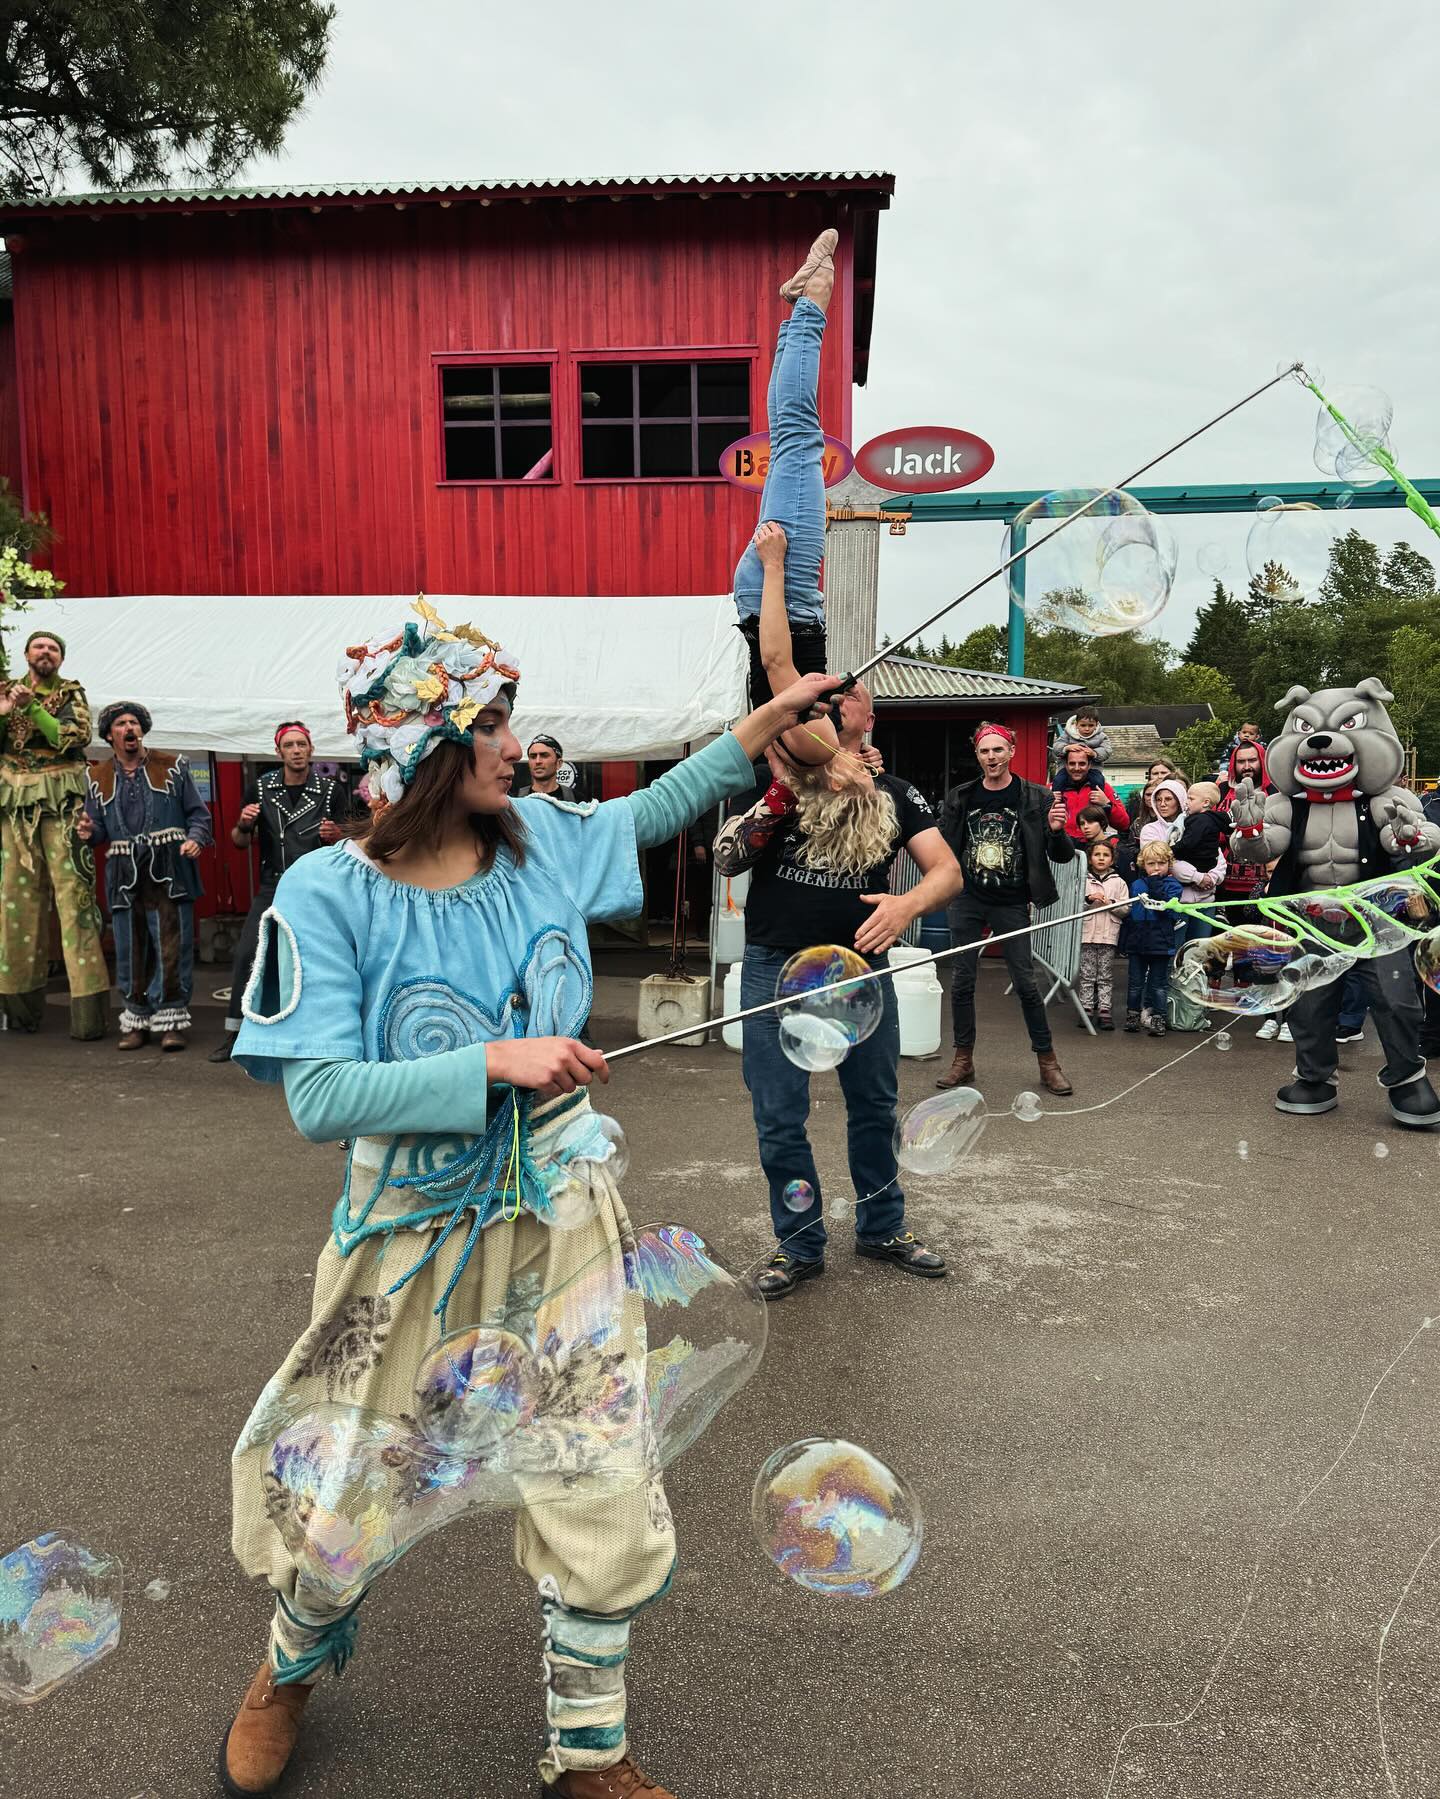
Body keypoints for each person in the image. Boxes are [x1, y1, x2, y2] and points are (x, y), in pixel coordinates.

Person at [222, 595, 839, 1798]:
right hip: (404, 1236)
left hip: (563, 1217)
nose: (518, 744)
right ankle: (287, 1667)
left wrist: (755, 724)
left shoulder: (541, 838)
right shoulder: (325, 893)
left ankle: (590, 1750)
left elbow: (646, 810)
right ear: (426, 749)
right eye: (495, 724)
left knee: (596, 1464)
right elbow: (318, 1095)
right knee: (350, 1469)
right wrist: (488, 1062)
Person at [716, 467, 961, 1299]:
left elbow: (947, 871)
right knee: (779, 1115)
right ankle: (801, 1243)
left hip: (860, 967)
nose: (838, 693)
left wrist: (906, 904)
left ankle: (884, 1227)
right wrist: (778, 567)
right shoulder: (792, 769)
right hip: (772, 965)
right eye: (828, 696)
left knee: (874, 1104)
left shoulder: (895, 791)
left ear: (868, 719)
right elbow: (780, 656)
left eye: (850, 694)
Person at [937, 722, 1077, 1095]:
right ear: (978, 756)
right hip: (967, 899)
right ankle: (962, 1060)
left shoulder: (1037, 797)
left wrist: (1057, 831)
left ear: (1011, 752)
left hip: (1012, 901)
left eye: (998, 750)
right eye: (985, 751)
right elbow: (944, 846)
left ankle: (1048, 1062)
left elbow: (1061, 857)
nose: (991, 757)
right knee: (962, 982)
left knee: (1027, 985)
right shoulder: (961, 796)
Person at [731, 226, 838, 705]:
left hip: (784, 592)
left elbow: (776, 662)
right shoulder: (812, 738)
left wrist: (774, 566)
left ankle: (813, 301)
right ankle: (798, 307)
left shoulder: (804, 736)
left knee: (798, 436)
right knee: (787, 434)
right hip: (776, 597)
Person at [210, 722, 349, 1062]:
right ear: (279, 752)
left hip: (316, 884)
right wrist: (243, 824)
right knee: (247, 954)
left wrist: (338, 835)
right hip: (274, 882)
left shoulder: (330, 791)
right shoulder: (260, 788)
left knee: (319, 957)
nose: (297, 750)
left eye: (302, 744)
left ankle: (319, 1034)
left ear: (311, 750)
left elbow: (351, 841)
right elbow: (238, 842)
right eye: (290, 745)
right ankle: (235, 1032)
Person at [76, 702, 212, 1051]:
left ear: (142, 731)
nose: (129, 728)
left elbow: (199, 816)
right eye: (121, 724)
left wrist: (195, 840)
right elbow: (99, 831)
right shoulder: (98, 776)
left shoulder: (174, 766)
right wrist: (88, 831)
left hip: (170, 868)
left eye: (134, 722)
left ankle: (170, 1019)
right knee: (130, 948)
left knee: (172, 946)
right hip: (124, 871)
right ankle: (137, 1019)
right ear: (110, 735)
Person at [0, 629, 109, 1038]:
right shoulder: (7, 689)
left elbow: (76, 737)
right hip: (13, 802)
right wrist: (3, 710)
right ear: (26, 654)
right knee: (15, 903)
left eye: (53, 648)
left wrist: (35, 710)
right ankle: (19, 1009)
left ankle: (87, 1018)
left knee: (74, 900)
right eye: (39, 647)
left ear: (61, 658)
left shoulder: (70, 693)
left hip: (62, 800)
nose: (45, 652)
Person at [1126, 841, 1182, 1036]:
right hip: (1138, 940)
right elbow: (1132, 914)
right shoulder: (1136, 885)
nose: (1156, 868)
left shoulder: (1173, 886)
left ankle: (1159, 1018)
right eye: (1151, 864)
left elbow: (1165, 909)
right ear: (1144, 865)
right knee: (1135, 983)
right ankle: (1132, 1015)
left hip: (1161, 941)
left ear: (1169, 864)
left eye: (1161, 863)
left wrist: (1156, 883)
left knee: (1158, 984)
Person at [1078, 839, 1129, 1030]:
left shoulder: (1119, 882)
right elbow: (1075, 906)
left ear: (1112, 859)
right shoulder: (1083, 881)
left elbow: (1126, 909)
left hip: (1108, 936)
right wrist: (1089, 899)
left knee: (1105, 975)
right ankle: (1086, 1008)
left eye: (1105, 855)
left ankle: (1105, 1010)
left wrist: (1110, 903)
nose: (1101, 858)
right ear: (1090, 858)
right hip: (1087, 935)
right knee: (1087, 974)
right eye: (1097, 854)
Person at [1051, 743, 1130, 843]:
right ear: (1065, 765)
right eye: (1072, 763)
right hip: (1063, 845)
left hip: (1093, 847)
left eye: (1082, 764)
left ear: (1089, 765)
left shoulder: (1102, 788)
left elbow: (1124, 823)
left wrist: (1107, 804)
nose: (1076, 768)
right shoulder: (1053, 789)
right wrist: (1050, 805)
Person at [516, 734, 578, 804]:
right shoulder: (515, 799)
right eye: (533, 756)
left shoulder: (576, 799)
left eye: (544, 756)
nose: (538, 761)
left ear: (559, 763)